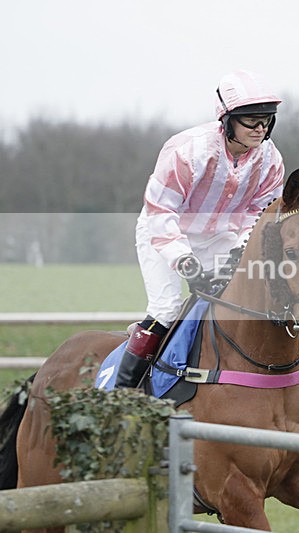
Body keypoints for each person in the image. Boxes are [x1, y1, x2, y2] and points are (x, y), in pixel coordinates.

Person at [115, 70, 286, 389]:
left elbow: (258, 213)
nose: (260, 128)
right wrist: (184, 261)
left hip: (221, 238)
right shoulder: (188, 151)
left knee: (236, 301)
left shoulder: (271, 160)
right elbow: (161, 210)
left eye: (266, 120)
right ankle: (123, 394)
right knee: (166, 308)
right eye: (251, 120)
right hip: (163, 231)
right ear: (228, 119)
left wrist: (239, 251)